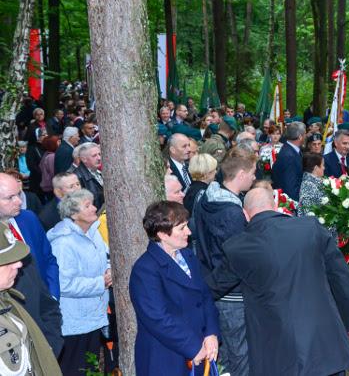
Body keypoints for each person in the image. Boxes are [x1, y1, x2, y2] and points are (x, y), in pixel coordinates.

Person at [212, 188, 349, 375]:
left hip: (277, 352)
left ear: (245, 214)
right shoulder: (310, 228)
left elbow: (214, 286)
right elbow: (340, 274)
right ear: (275, 206)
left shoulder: (237, 248)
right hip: (323, 344)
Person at [130, 201, 220, 376]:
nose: (189, 232)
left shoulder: (188, 255)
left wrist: (211, 333)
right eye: (182, 228)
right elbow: (157, 318)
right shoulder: (145, 269)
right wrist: (194, 347)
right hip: (166, 357)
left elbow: (205, 297)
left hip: (200, 347)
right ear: (162, 234)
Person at [191, 147, 256, 376]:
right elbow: (235, 259)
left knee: (226, 355)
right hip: (230, 293)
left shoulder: (206, 197)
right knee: (240, 357)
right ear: (241, 174)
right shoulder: (231, 213)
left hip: (212, 283)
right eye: (252, 173)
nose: (254, 178)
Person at [47, 190, 110, 376]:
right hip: (74, 322)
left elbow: (105, 257)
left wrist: (108, 270)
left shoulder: (93, 232)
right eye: (87, 206)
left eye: (92, 203)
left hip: (94, 316)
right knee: (74, 369)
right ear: (73, 215)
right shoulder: (63, 243)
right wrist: (100, 283)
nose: (95, 208)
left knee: (90, 367)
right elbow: (64, 284)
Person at [0, 221, 63, 375]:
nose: (19, 264)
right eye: (8, 260)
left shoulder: (8, 300)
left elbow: (48, 308)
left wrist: (45, 353)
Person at [0, 173, 60, 299]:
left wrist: (53, 295)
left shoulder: (28, 218)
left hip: (44, 302)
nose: (19, 201)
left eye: (19, 194)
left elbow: (48, 259)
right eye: (10, 197)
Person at [272, 121, 305, 201]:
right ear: (300, 137)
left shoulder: (291, 150)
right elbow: (290, 187)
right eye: (305, 134)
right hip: (292, 202)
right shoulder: (289, 156)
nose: (306, 136)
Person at [73, 143, 104, 210]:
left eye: (99, 154)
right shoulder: (77, 178)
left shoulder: (99, 171)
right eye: (94, 156)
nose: (99, 158)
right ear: (84, 159)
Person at [298, 152, 326, 217]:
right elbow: (309, 214)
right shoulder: (308, 186)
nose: (324, 168)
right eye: (323, 165)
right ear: (316, 168)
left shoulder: (313, 182)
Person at [39, 135, 60, 199]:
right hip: (50, 187)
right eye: (58, 142)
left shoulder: (46, 154)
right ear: (52, 144)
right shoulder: (51, 157)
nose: (60, 144)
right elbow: (53, 173)